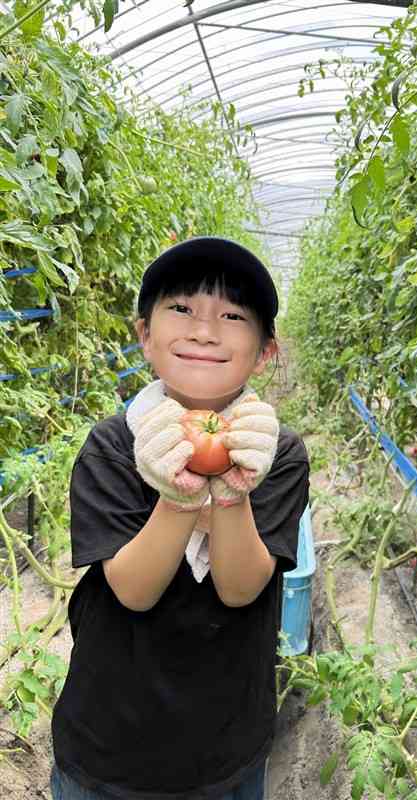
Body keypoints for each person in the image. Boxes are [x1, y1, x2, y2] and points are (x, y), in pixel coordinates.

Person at [49, 237, 310, 800]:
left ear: (266, 351)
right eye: (182, 308)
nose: (204, 331)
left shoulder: (277, 454)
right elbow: (133, 590)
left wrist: (234, 491)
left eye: (233, 316)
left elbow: (241, 589)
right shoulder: (115, 446)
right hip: (110, 741)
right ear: (144, 335)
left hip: (226, 744)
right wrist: (177, 496)